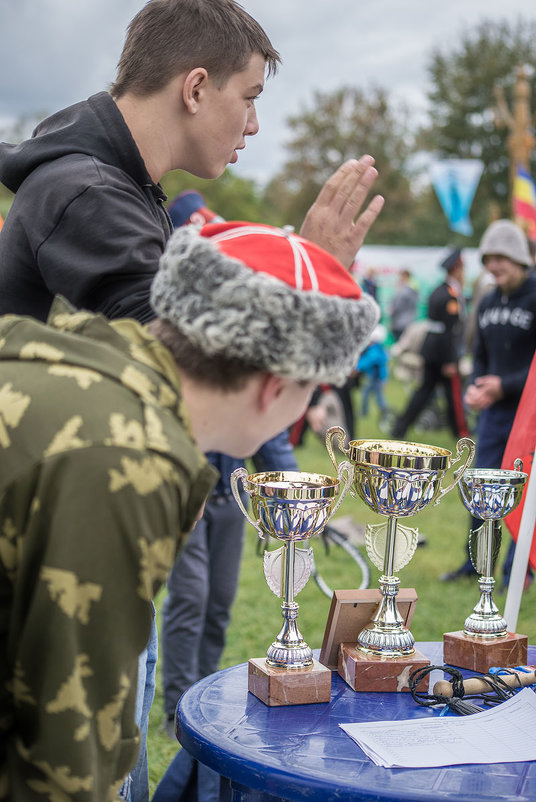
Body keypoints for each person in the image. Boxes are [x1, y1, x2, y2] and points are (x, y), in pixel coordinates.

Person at [0, 1, 384, 798]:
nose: (251, 125)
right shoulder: (86, 191)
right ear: (196, 86)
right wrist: (304, 276)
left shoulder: (110, 181)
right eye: (249, 97)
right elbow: (194, 355)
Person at [440, 219, 536, 583]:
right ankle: (475, 566)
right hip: (494, 414)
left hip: (529, 415)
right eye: (489, 259)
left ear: (520, 258)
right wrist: (477, 385)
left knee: (524, 493)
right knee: (481, 487)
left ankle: (519, 569)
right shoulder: (488, 299)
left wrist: (506, 385)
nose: (494, 266)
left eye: (501, 259)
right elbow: (478, 352)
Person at [391, 248, 469, 440]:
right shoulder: (450, 294)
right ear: (456, 269)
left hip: (432, 350)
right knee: (452, 396)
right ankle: (462, 433)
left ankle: (399, 428)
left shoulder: (439, 290)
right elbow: (449, 329)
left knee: (424, 393)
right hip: (443, 353)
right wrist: (451, 360)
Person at [358, 323, 389, 423]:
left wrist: (356, 367)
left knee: (371, 396)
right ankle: (366, 412)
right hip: (375, 378)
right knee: (371, 395)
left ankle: (383, 411)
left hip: (374, 378)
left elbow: (368, 361)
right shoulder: (379, 349)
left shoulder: (375, 350)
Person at [389, 268, 418, 341]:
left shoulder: (402, 292)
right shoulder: (413, 290)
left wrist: (391, 319)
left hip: (399, 323)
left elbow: (396, 308)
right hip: (410, 322)